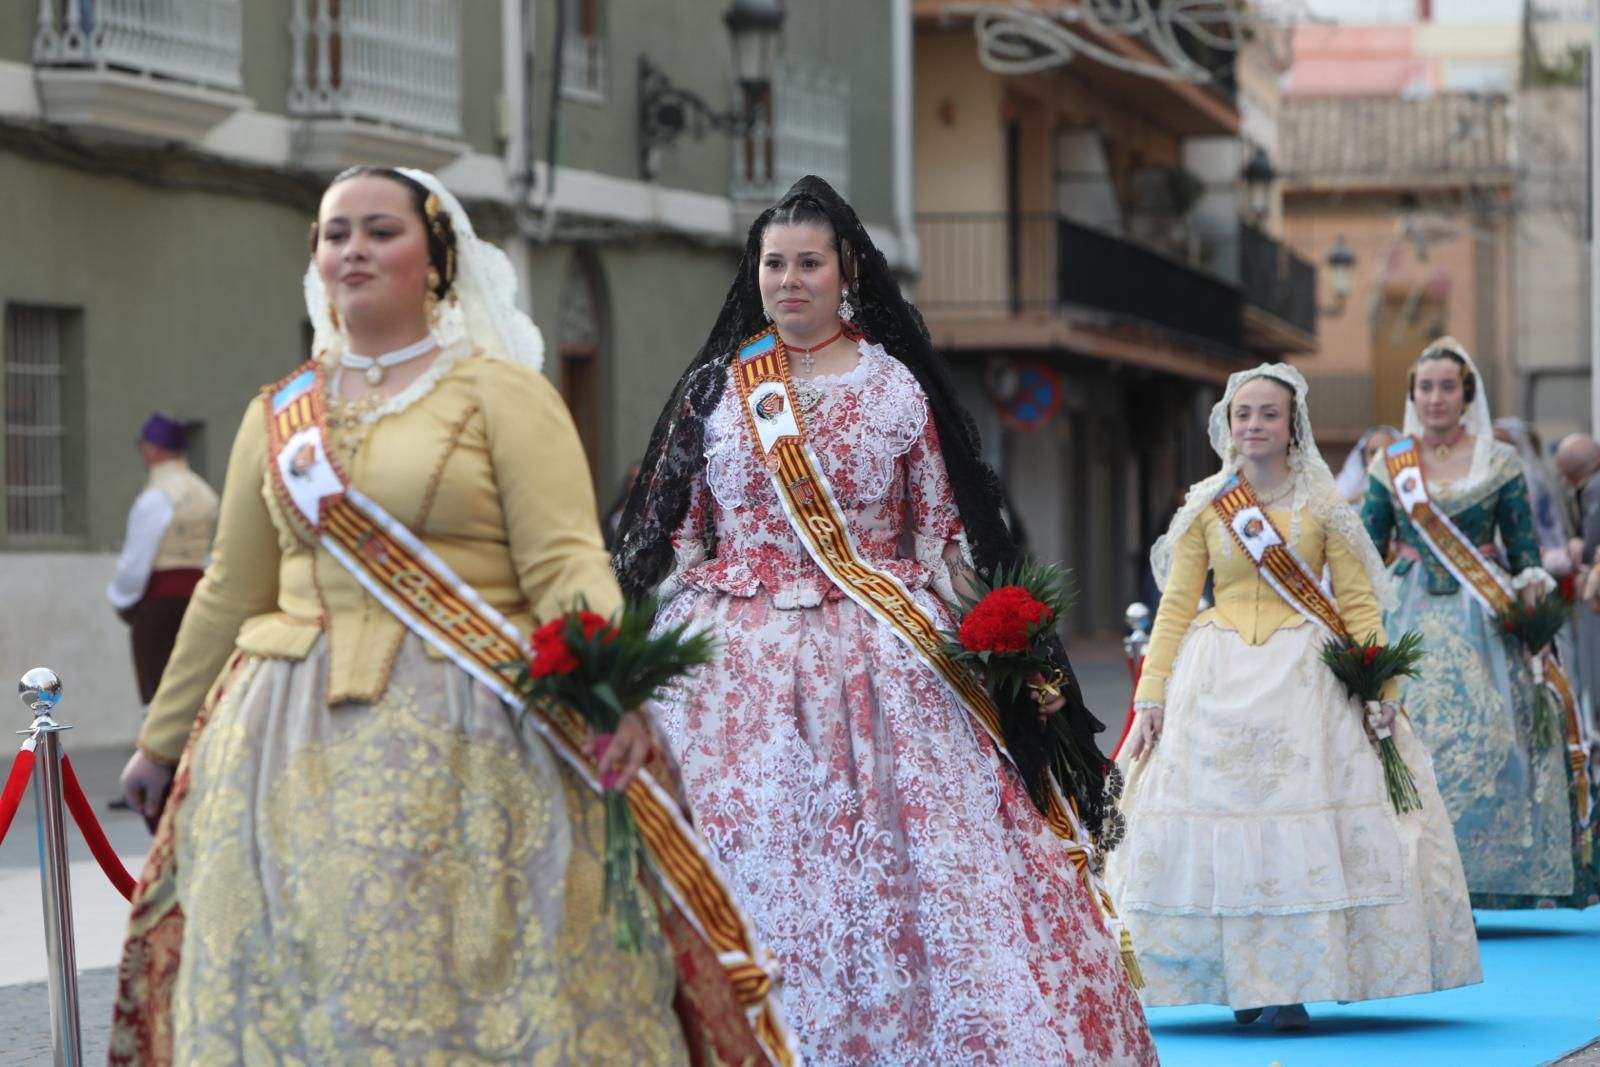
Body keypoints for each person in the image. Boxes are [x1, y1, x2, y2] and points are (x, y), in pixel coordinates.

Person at [108, 167, 793, 1065]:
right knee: (294, 980)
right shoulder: (278, 415)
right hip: (281, 738)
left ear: (435, 258)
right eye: (334, 232)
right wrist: (160, 741)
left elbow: (562, 560)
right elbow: (231, 588)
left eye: (379, 231)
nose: (352, 249)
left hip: (469, 726)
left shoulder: (499, 395)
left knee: (464, 977)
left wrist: (610, 688)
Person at [613, 176, 1157, 1065]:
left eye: (808, 264)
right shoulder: (718, 388)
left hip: (883, 659)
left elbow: (944, 543)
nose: (789, 281)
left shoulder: (896, 386)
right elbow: (677, 539)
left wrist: (1013, 652)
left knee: (907, 877)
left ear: (846, 270)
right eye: (773, 264)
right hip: (728, 670)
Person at [1107, 363, 1479, 1031]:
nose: (1255, 424)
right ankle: (1236, 976)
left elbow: (1360, 603)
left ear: (1291, 424)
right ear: (1229, 421)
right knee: (1218, 821)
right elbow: (1175, 606)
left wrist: (1380, 687)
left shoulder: (1324, 503)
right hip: (1216, 672)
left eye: (1268, 413)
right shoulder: (1206, 503)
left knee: (1300, 825)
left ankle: (1292, 981)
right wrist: (1153, 693)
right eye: (1243, 412)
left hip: (1306, 677)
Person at [1361, 338, 1599, 909]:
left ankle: (1490, 876)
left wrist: (1534, 621)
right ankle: (1411, 875)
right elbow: (1367, 552)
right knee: (1406, 737)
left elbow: (1524, 553)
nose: (1436, 398)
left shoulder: (1500, 460)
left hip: (1486, 618)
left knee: (1495, 738)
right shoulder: (1389, 462)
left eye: (1448, 387)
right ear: (1413, 394)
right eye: (1426, 387)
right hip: (1408, 612)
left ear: (1466, 395)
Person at [106, 414, 219, 707]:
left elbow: (137, 560)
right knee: (193, 685)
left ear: (155, 449)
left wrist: (122, 599)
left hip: (157, 602)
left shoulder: (156, 497)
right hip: (197, 596)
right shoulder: (204, 492)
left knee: (156, 689)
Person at [1335, 424, 1401, 505]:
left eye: (1388, 451)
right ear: (1364, 458)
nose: (1380, 458)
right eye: (1374, 452)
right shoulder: (1348, 493)